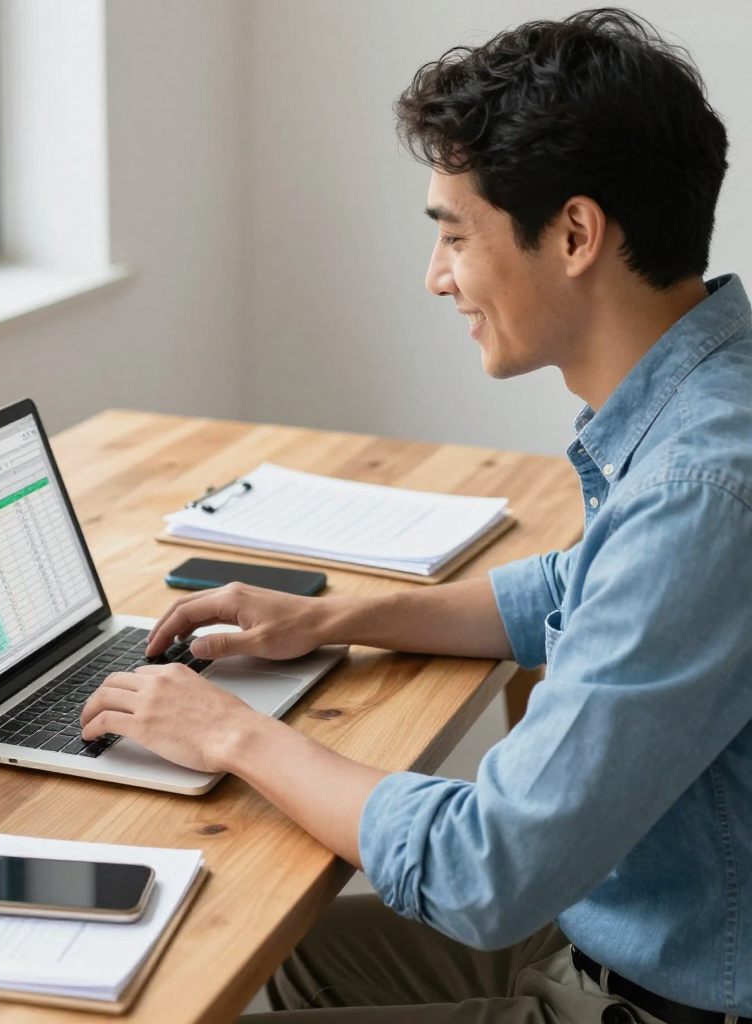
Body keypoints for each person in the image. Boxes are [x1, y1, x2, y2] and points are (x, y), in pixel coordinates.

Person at [82, 9, 752, 1022]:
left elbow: (486, 868)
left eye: (452, 232)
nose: (435, 276)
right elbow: (577, 588)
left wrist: (233, 736)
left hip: (666, 995)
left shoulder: (697, 491)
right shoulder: (705, 402)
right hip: (619, 922)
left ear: (574, 233)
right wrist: (331, 617)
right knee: (276, 959)